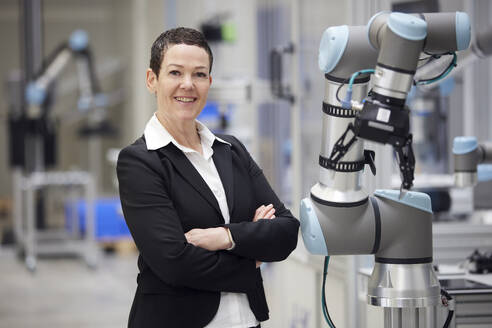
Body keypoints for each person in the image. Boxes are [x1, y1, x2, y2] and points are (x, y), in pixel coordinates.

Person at [117, 27, 299, 328]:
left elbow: (286, 231)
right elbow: (174, 262)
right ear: (152, 80)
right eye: (175, 73)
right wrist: (251, 260)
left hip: (246, 321)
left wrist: (225, 237)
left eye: (199, 75)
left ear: (209, 82)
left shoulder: (231, 150)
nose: (188, 85)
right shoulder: (141, 161)